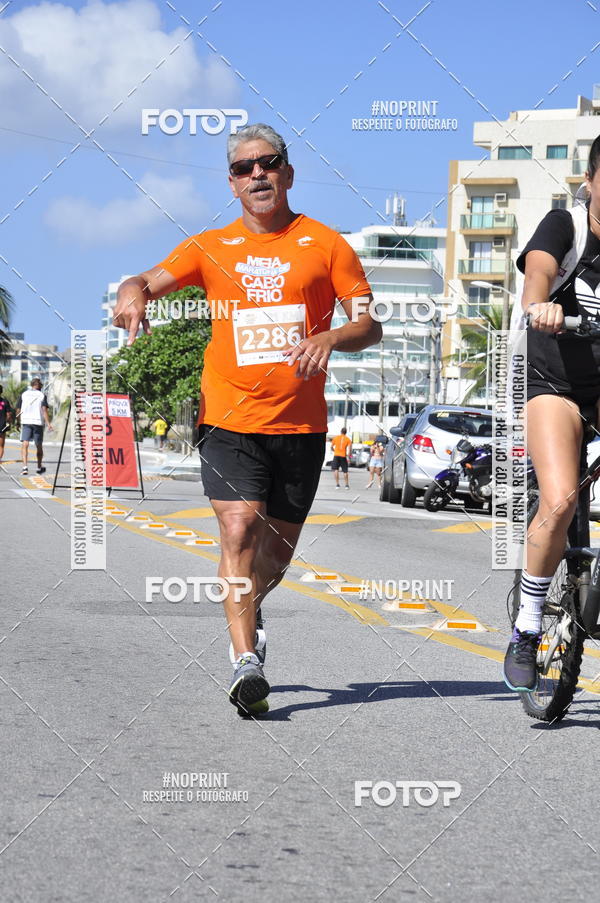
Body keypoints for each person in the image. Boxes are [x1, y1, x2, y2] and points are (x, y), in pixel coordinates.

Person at [112, 123, 381, 716]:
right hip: (228, 420)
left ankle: (249, 611)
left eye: (268, 162)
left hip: (301, 428)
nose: (257, 173)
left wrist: (333, 335)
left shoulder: (327, 244)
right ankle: (244, 663)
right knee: (238, 532)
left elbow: (369, 323)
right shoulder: (208, 247)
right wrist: (132, 295)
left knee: (275, 557)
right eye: (243, 167)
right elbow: (143, 281)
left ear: (287, 172)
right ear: (232, 183)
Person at [503, 135, 600, 692]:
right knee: (560, 498)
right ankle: (528, 627)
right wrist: (538, 304)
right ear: (591, 181)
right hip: (555, 381)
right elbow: (538, 273)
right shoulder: (567, 225)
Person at [16, 378, 53, 475]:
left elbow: (18, 410)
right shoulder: (42, 395)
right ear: (39, 385)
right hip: (38, 422)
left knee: (25, 444)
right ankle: (39, 467)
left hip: (26, 421)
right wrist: (48, 423)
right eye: (41, 385)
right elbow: (44, 410)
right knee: (38, 445)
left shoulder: (24, 394)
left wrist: (17, 422)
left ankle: (25, 467)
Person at [0, 386, 14, 464]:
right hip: (2, 426)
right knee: (1, 446)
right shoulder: (5, 401)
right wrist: (9, 422)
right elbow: (8, 415)